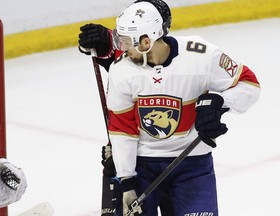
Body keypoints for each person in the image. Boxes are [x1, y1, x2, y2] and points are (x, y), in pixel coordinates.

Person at [79, 0, 261, 215]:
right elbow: (122, 128)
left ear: (146, 42)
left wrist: (220, 104)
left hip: (193, 166)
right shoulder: (122, 69)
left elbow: (248, 84)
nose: (121, 48)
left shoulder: (201, 56)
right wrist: (126, 179)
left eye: (126, 42)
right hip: (141, 167)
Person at [79, 1, 176, 215]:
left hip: (166, 155)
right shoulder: (129, 54)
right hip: (126, 154)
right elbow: (113, 51)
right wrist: (100, 40)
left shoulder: (175, 61)